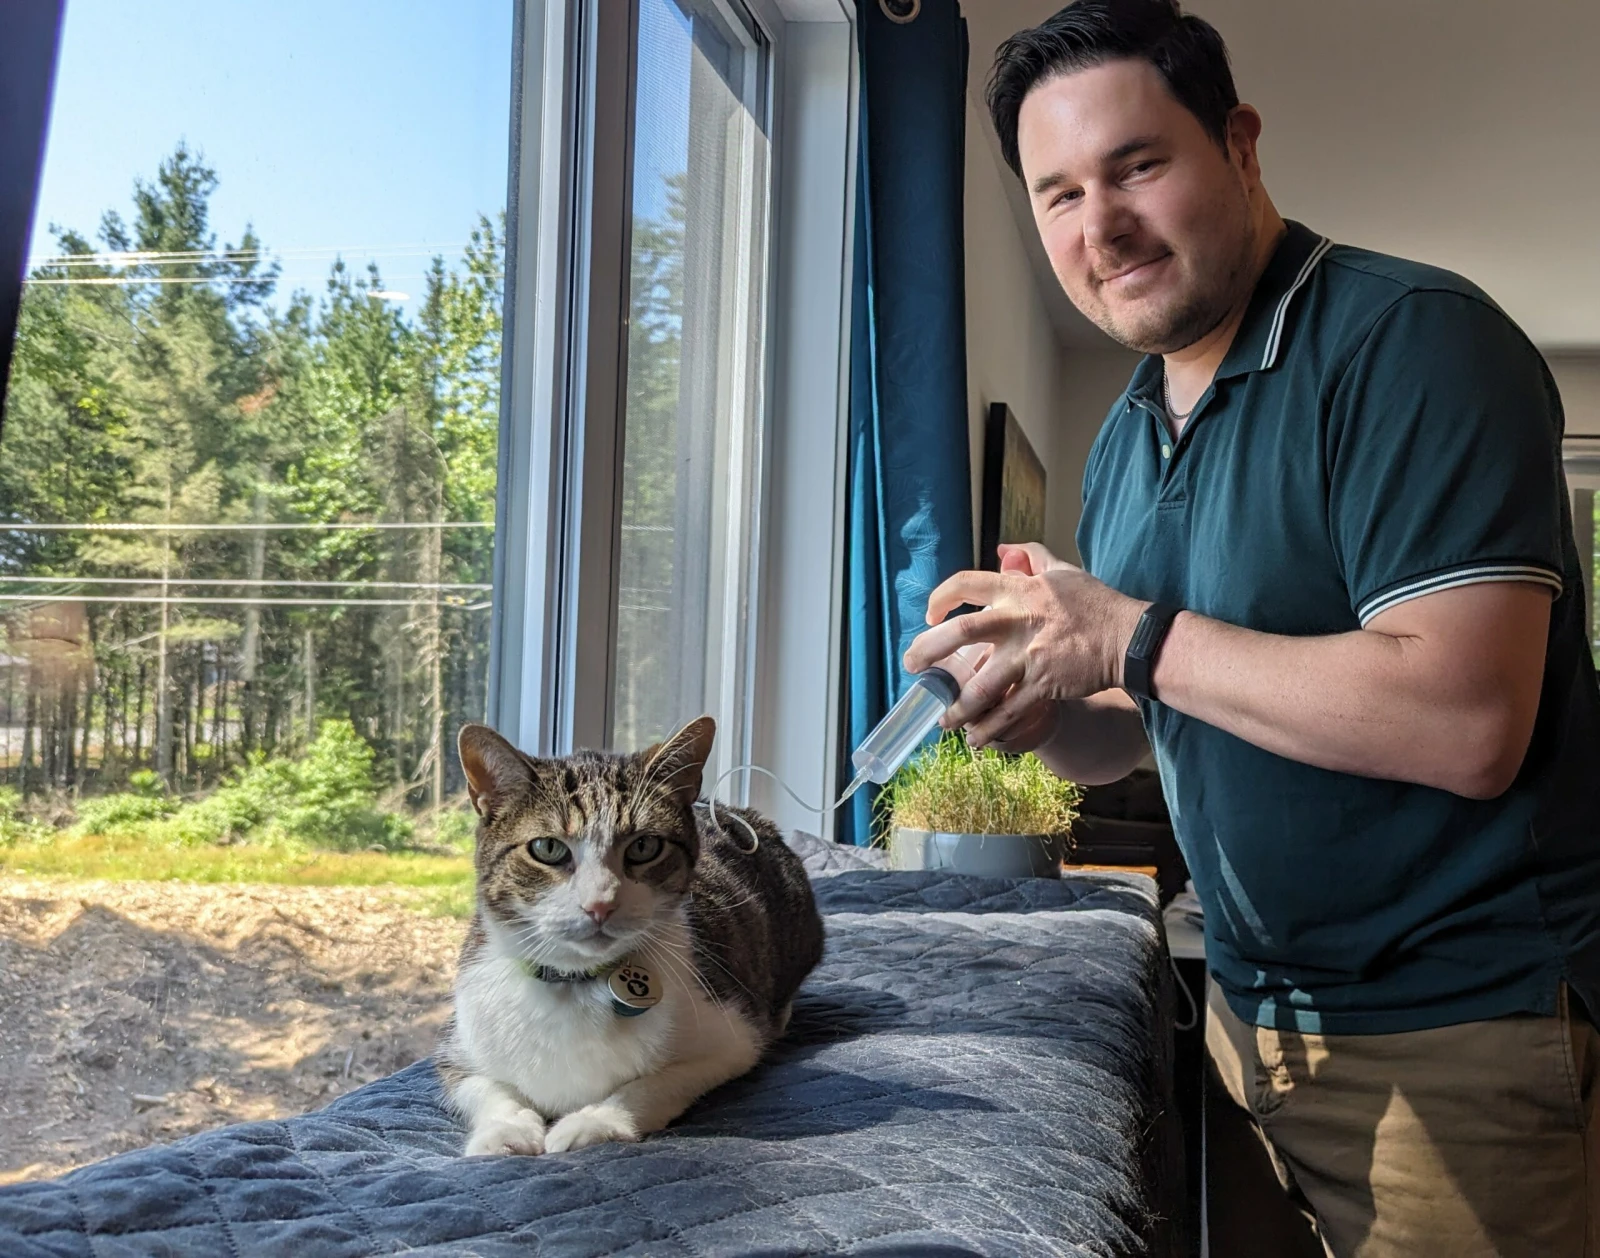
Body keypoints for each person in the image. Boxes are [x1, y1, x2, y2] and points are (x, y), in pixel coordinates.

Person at [902, 1, 1600, 1254]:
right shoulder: (1125, 438)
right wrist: (1048, 710)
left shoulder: (1413, 345)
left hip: (1461, 1031)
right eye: (1055, 194)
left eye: (1136, 166)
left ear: (1239, 145)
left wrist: (1123, 631)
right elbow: (1141, 724)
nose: (1098, 225)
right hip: (1250, 1024)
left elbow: (1467, 721)